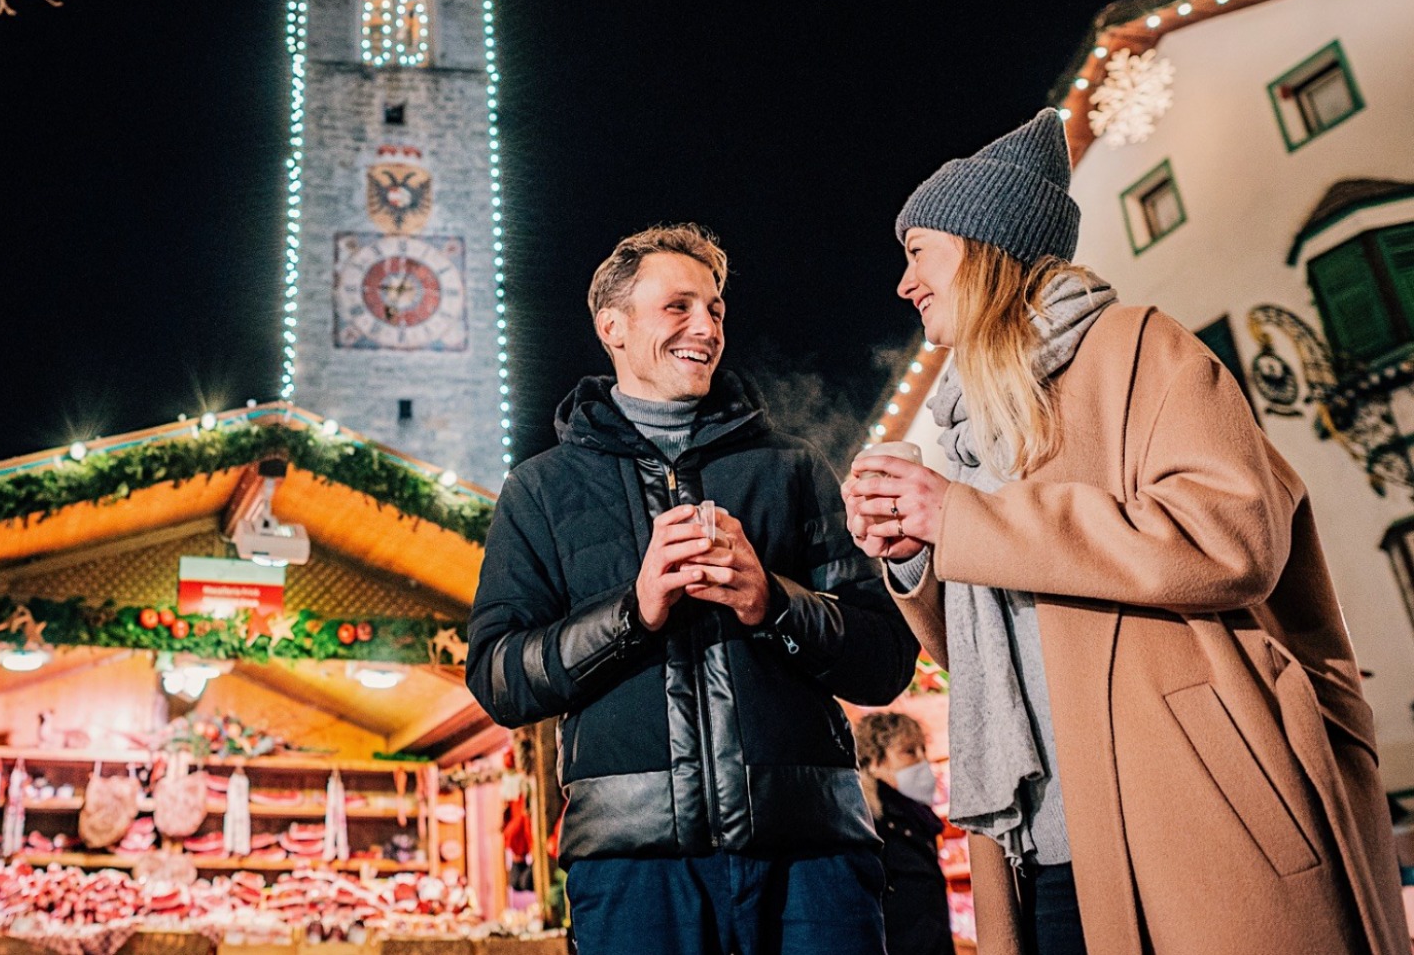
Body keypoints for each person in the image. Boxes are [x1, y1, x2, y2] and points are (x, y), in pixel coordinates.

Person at [844, 109, 1411, 955]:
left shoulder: (1140, 349)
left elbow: (1234, 536)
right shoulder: (967, 427)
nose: (904, 282)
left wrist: (964, 517)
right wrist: (920, 556)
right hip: (1034, 841)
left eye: (917, 251)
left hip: (1181, 814)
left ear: (980, 244)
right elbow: (1006, 651)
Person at [466, 223, 919, 955]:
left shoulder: (793, 470)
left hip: (813, 860)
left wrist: (773, 603)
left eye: (715, 310)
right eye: (679, 307)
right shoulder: (541, 490)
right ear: (612, 326)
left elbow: (885, 661)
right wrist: (631, 614)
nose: (706, 328)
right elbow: (496, 678)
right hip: (634, 873)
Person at [854, 711, 955, 955]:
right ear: (874, 761)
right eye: (909, 752)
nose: (922, 761)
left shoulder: (917, 821)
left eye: (923, 750)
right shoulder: (871, 825)